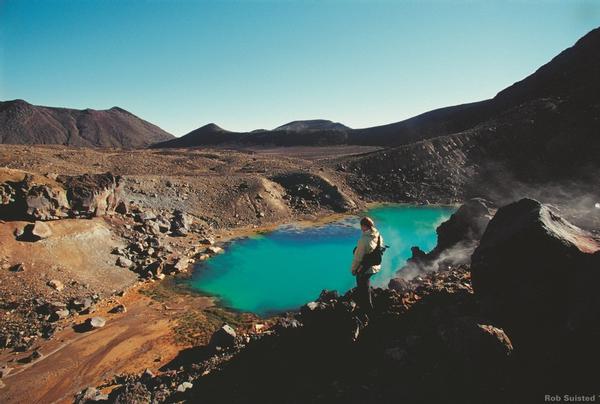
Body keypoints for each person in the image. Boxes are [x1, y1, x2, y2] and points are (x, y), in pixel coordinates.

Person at [350, 216, 383, 312]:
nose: (361, 228)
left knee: (362, 285)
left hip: (366, 268)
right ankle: (368, 304)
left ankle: (368, 309)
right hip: (375, 265)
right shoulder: (378, 235)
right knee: (366, 284)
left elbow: (358, 258)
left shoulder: (363, 240)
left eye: (361, 226)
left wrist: (353, 269)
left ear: (364, 226)